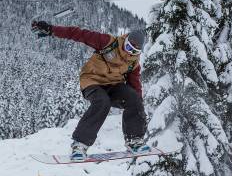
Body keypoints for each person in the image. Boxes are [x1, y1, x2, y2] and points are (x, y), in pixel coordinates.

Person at [31, 21, 149, 161]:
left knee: (134, 98)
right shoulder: (108, 42)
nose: (129, 52)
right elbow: (78, 33)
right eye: (128, 46)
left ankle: (134, 140)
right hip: (92, 81)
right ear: (126, 39)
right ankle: (79, 145)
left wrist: (139, 110)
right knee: (102, 102)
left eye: (134, 51)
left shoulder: (133, 63)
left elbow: (135, 85)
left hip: (113, 85)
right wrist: (51, 30)